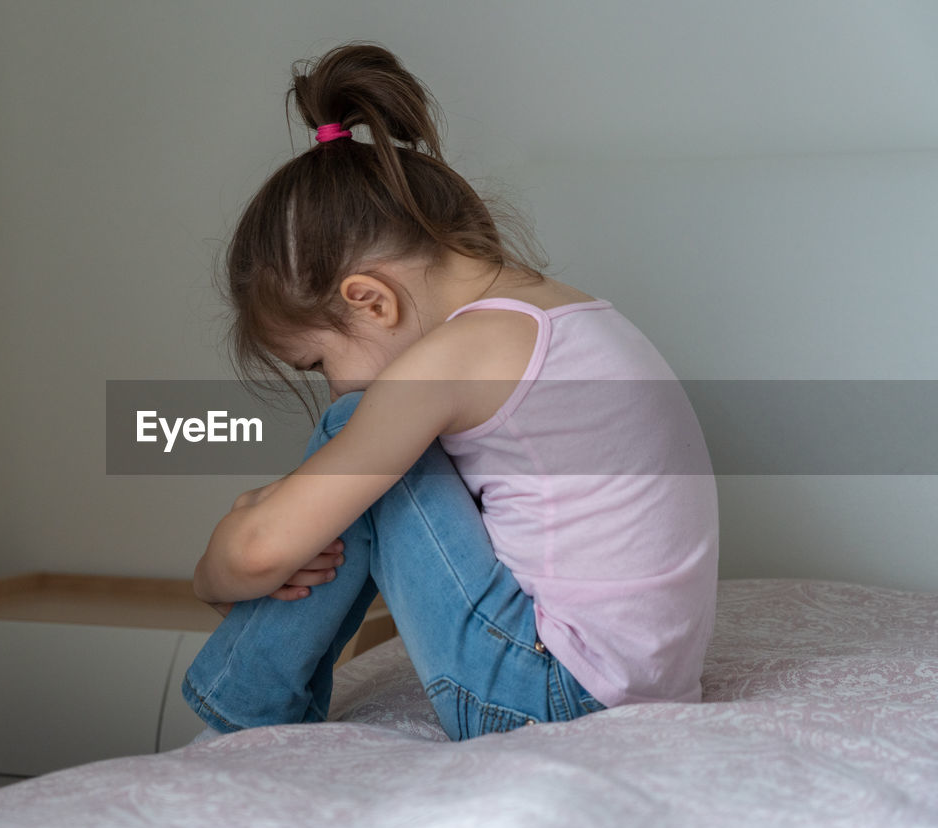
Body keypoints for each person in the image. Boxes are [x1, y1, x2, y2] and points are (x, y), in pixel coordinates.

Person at [181, 42, 719, 742]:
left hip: (546, 696)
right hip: (646, 691)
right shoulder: (573, 319)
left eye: (319, 360)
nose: (330, 383)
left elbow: (257, 555)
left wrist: (217, 569)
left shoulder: (457, 358)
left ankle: (240, 706)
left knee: (359, 427)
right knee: (362, 454)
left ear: (371, 301)